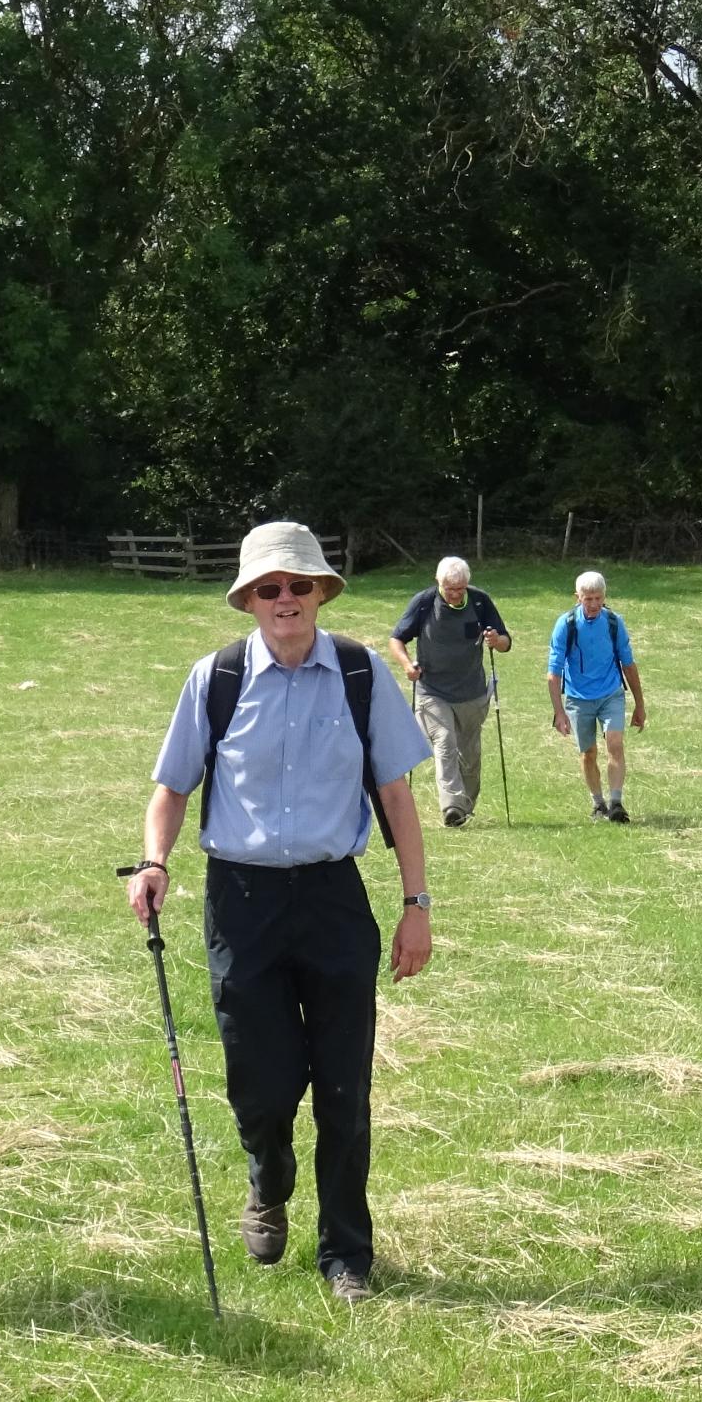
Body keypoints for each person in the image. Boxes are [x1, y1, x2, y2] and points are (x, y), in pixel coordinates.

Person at [128, 522, 433, 1301]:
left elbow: (396, 796)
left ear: (321, 592)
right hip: (244, 901)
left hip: (334, 899)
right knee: (259, 1083)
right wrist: (156, 861)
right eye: (271, 588)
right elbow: (172, 788)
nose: (287, 599)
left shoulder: (362, 673)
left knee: (343, 1087)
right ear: (249, 600)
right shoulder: (217, 678)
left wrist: (415, 905)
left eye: (300, 585)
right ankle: (269, 1176)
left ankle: (346, 1255)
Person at [387, 555, 512, 828]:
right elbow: (396, 639)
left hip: (472, 692)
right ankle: (452, 806)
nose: (455, 594)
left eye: (460, 588)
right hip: (432, 691)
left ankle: (464, 807)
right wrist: (408, 665)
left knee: (470, 756)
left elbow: (505, 642)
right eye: (449, 588)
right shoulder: (423, 603)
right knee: (445, 743)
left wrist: (495, 640)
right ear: (438, 582)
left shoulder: (480, 601)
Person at [546, 568, 647, 821]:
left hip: (611, 694)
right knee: (588, 753)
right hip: (578, 699)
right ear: (577, 597)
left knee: (615, 743)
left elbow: (629, 665)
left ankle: (616, 803)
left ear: (604, 596)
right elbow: (554, 672)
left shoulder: (614, 622)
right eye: (587, 598)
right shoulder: (565, 625)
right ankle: (598, 803)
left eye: (598, 598)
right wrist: (559, 711)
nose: (593, 604)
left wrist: (639, 705)